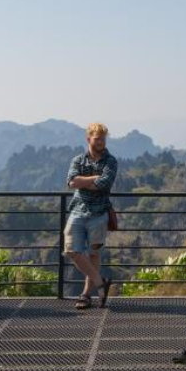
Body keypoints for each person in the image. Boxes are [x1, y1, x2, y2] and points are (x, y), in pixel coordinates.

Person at [65, 123, 118, 310]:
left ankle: (86, 295)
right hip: (77, 211)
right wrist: (94, 177)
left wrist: (84, 181)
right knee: (71, 250)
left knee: (94, 253)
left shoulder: (110, 161)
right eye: (97, 139)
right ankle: (100, 281)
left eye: (103, 139)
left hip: (99, 213)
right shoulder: (78, 160)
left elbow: (104, 184)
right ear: (89, 139)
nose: (101, 142)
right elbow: (72, 182)